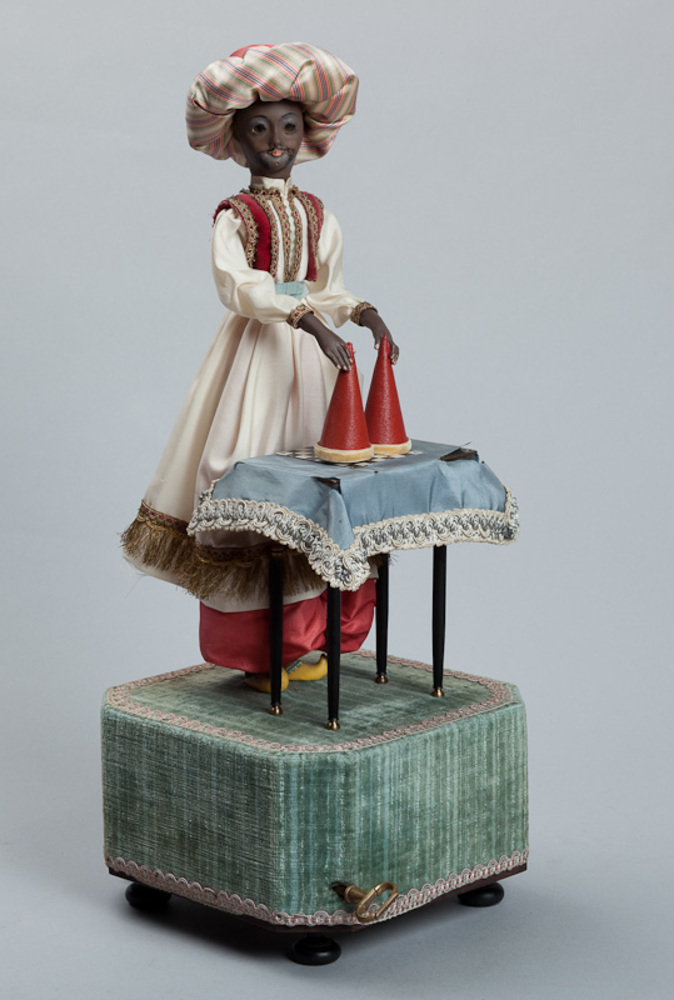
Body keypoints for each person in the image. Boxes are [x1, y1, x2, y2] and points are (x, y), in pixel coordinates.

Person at [122, 43, 398, 691]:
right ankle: (261, 650)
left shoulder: (317, 212)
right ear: (236, 141)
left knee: (320, 482)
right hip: (259, 356)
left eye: (289, 127)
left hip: (317, 361)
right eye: (260, 129)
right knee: (249, 470)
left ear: (308, 135)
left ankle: (312, 640)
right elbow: (240, 287)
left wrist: (364, 314)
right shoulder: (236, 216)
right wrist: (305, 319)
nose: (277, 142)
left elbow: (327, 286)